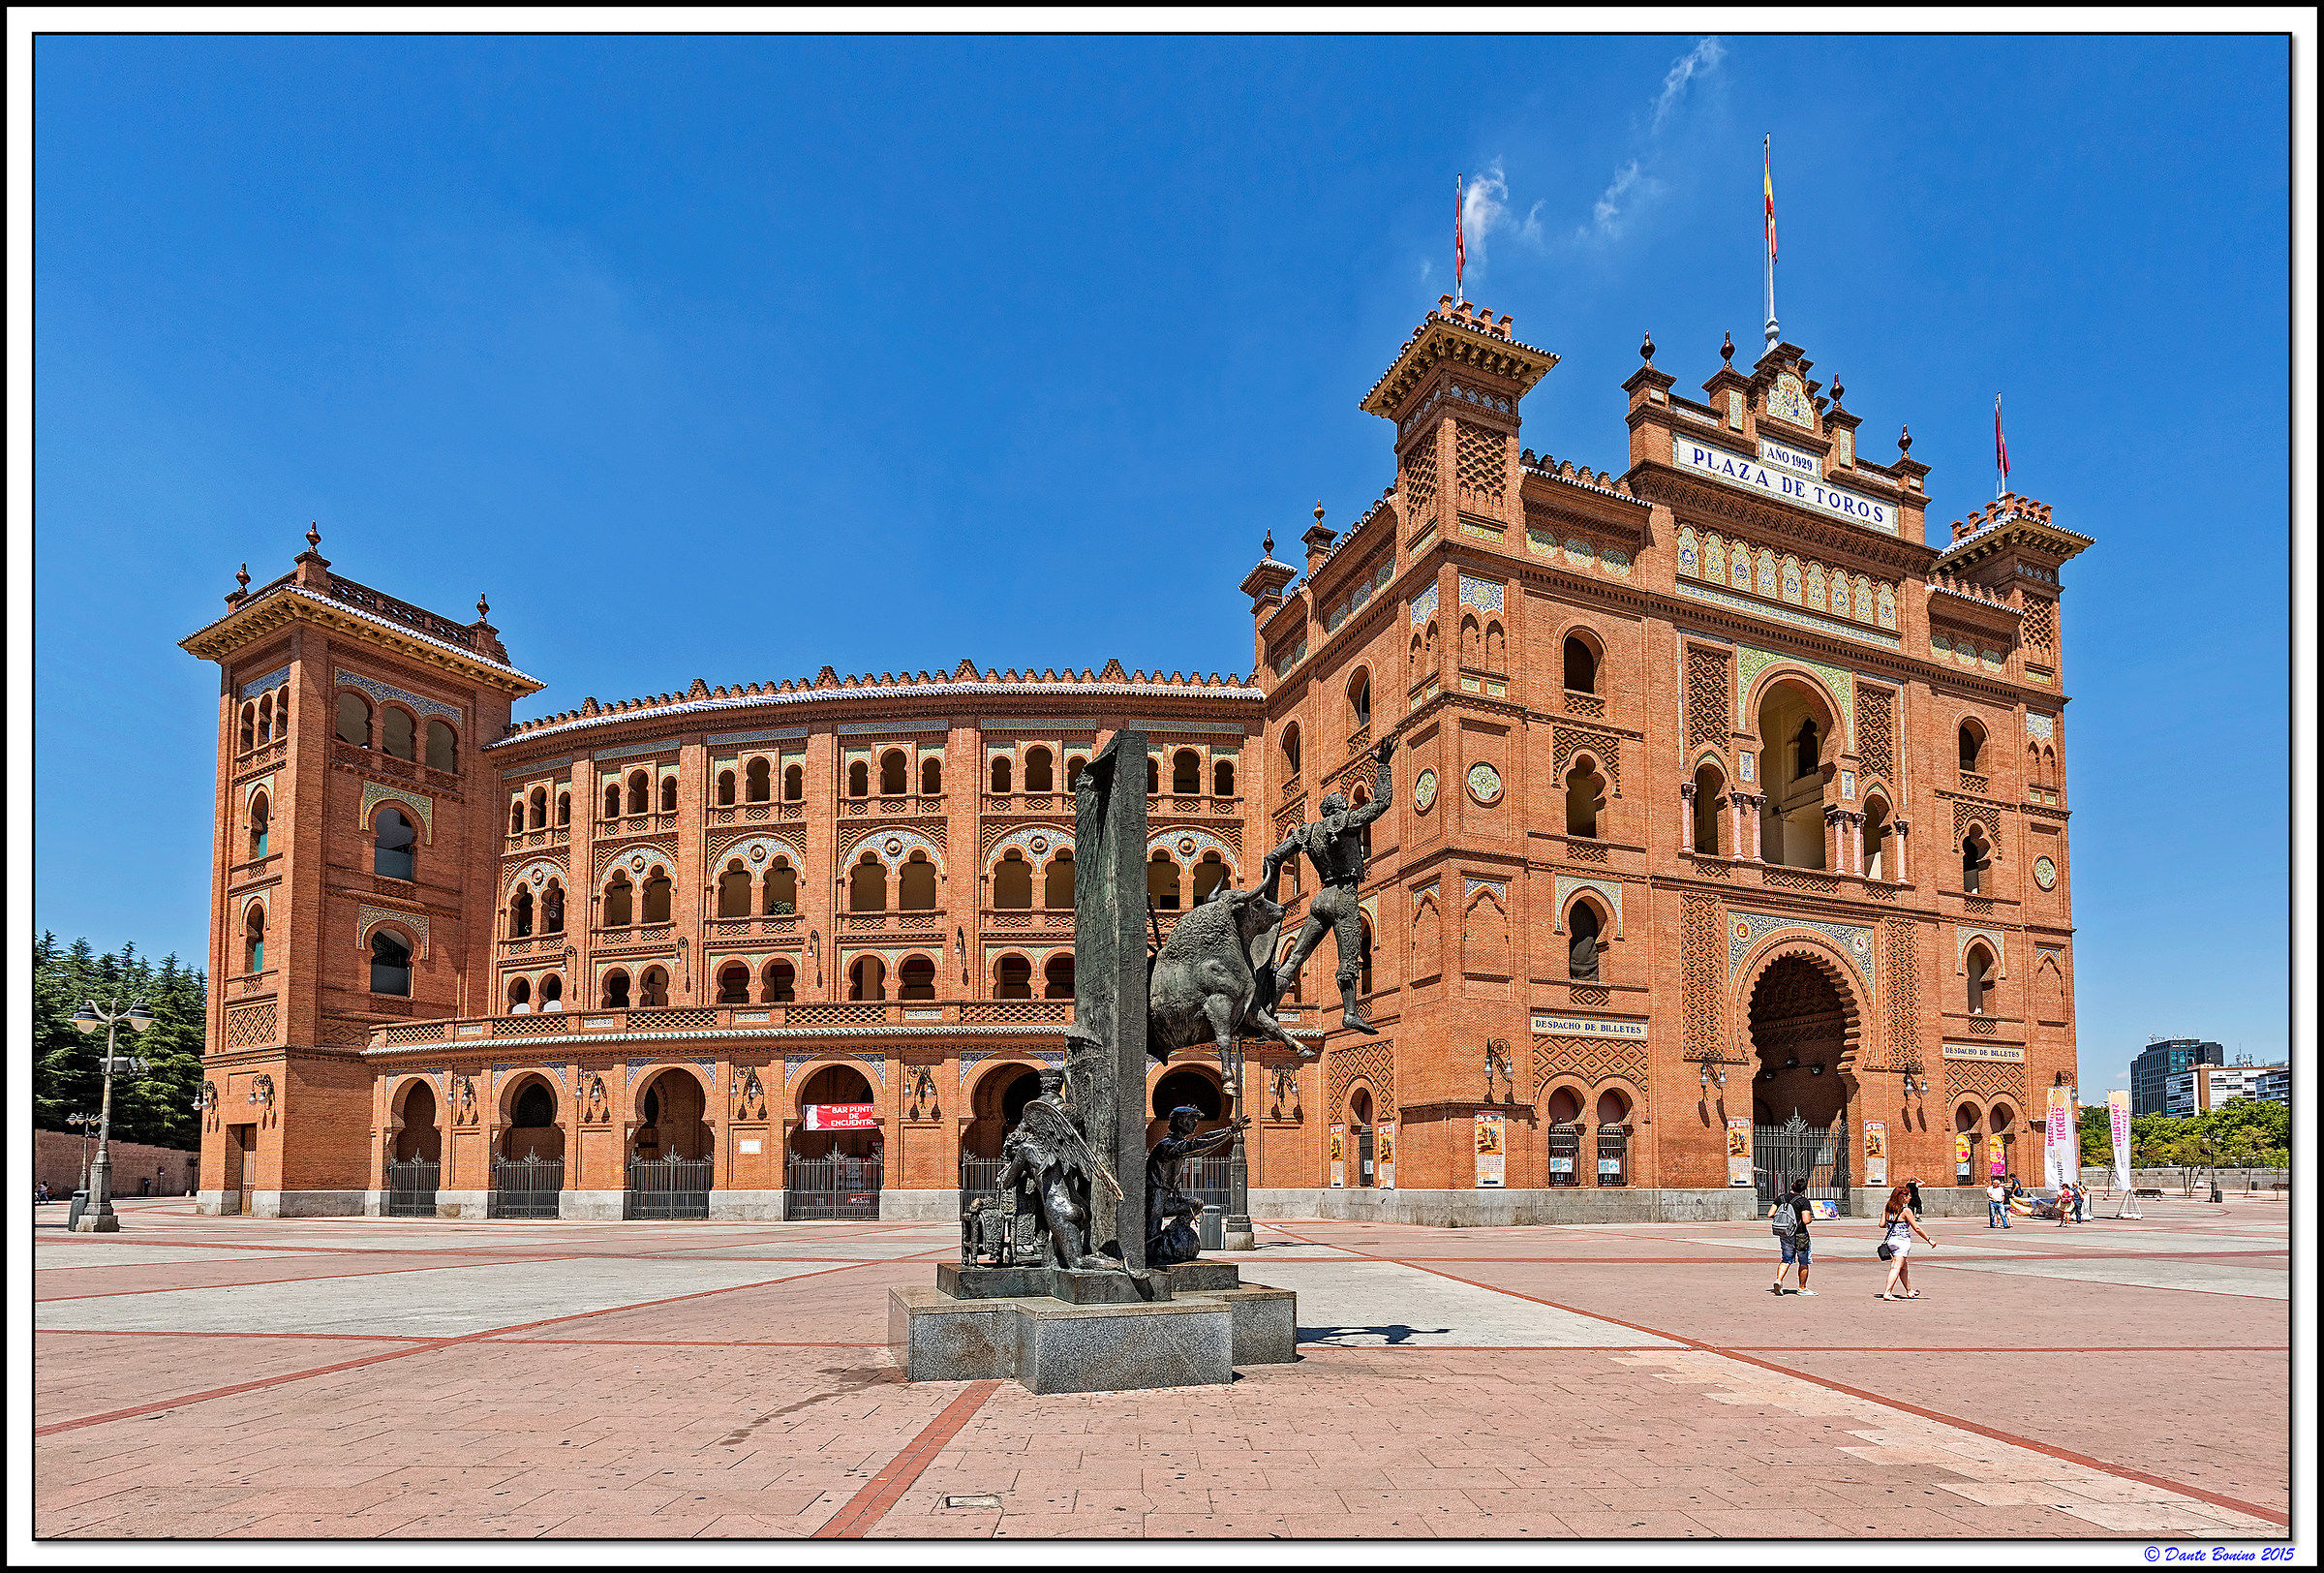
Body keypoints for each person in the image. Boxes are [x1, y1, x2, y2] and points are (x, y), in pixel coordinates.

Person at [1878, 1183, 1935, 1300]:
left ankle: (1909, 1291)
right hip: (1902, 1242)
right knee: (1896, 1267)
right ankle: (1888, 1292)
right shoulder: (1906, 1211)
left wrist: (1892, 1223)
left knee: (1903, 1267)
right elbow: (1917, 1228)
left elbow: (1882, 1224)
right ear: (1902, 1197)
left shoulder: (1887, 1208)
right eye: (1908, 1196)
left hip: (1891, 1242)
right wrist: (1929, 1239)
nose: (1910, 1198)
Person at [1768, 1176, 1815, 1296]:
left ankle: (1778, 1280)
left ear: (1792, 1185)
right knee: (1803, 1261)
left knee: (1786, 1259)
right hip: (1800, 1235)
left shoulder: (1781, 1198)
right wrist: (1810, 1218)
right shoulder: (1803, 1201)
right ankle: (1802, 1288)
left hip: (1785, 1233)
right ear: (1803, 1189)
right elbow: (1805, 1220)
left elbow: (1770, 1214)